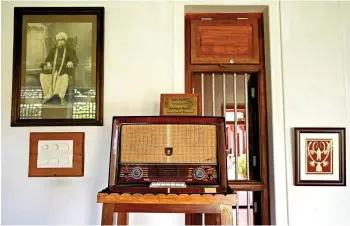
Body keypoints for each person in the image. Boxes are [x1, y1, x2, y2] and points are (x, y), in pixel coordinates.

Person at [39, 32, 79, 105]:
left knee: (64, 76)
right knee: (42, 75)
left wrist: (71, 62)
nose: (60, 41)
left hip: (64, 70)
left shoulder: (69, 50)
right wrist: (48, 62)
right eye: (59, 40)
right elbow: (48, 59)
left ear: (65, 41)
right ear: (57, 41)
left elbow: (75, 60)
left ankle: (62, 97)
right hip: (53, 69)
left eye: (62, 40)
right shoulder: (53, 50)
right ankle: (47, 96)